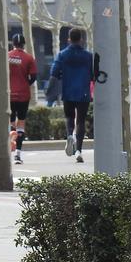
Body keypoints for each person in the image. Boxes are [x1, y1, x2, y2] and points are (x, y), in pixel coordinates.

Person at [50, 27, 93, 164]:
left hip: (67, 91)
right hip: (83, 92)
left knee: (69, 117)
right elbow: (94, 74)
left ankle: (69, 135)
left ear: (69, 39)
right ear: (81, 39)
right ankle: (78, 150)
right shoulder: (88, 56)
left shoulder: (62, 55)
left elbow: (54, 72)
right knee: (80, 120)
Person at [8, 33, 38, 165]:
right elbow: (34, 76)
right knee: (21, 123)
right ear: (24, 44)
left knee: (10, 121)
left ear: (13, 44)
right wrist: (26, 83)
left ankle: (11, 139)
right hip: (23, 95)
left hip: (9, 94)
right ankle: (18, 155)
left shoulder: (7, 57)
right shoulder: (29, 58)